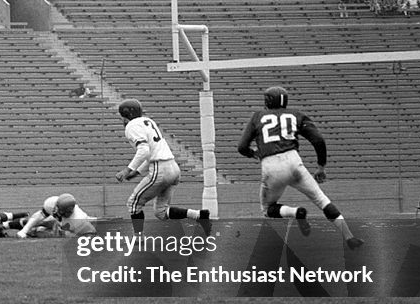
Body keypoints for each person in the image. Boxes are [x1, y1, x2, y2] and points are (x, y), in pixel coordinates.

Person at [237, 86, 363, 249]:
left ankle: (296, 213)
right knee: (322, 199)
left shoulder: (258, 116)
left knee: (268, 209)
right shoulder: (296, 115)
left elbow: (241, 147)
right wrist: (321, 166)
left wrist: (253, 153)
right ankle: (349, 237)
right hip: (293, 161)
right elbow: (318, 140)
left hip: (271, 166)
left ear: (267, 102)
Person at [115, 99, 211, 236]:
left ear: (126, 114)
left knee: (133, 204)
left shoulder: (132, 126)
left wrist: (127, 170)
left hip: (160, 169)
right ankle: (200, 215)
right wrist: (136, 172)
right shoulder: (148, 121)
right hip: (173, 167)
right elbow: (153, 151)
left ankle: (138, 238)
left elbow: (144, 151)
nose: (121, 119)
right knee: (161, 212)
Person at [16, 193, 96, 238]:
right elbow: (39, 216)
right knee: (34, 221)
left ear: (68, 211)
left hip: (68, 228)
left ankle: (33, 231)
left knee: (40, 233)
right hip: (59, 222)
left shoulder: (78, 219)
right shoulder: (52, 203)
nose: (56, 210)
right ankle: (6, 225)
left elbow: (88, 235)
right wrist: (24, 231)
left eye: (60, 210)